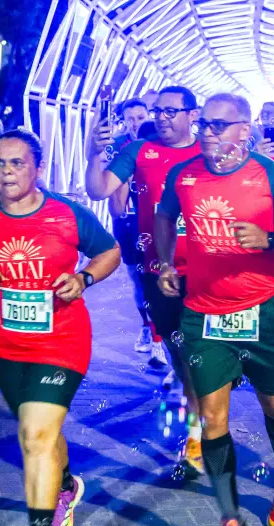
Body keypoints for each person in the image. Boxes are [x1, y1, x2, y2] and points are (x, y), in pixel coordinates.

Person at [155, 92, 274, 526]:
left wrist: (270, 239)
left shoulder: (270, 177)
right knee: (211, 418)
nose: (207, 133)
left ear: (243, 131)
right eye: (203, 124)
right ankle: (231, 522)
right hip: (203, 313)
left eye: (217, 125)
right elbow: (164, 213)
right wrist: (167, 262)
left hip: (261, 312)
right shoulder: (184, 175)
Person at [0, 129, 121, 526]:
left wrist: (83, 278)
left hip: (62, 342)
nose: (6, 172)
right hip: (5, 345)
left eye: (17, 163)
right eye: (0, 163)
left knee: (35, 438)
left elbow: (110, 251)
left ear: (38, 169)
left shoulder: (67, 213)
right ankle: (64, 485)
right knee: (41, 431)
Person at [85, 85, 205, 476]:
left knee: (200, 354)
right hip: (160, 269)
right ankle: (199, 419)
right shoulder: (140, 151)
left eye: (172, 111)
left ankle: (196, 437)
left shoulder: (207, 150)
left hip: (206, 271)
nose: (163, 117)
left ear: (192, 113)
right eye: (159, 111)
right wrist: (92, 152)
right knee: (179, 350)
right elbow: (97, 188)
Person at [108, 99, 166, 364]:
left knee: (156, 278)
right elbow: (111, 198)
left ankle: (159, 339)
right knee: (137, 278)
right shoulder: (119, 147)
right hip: (129, 225)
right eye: (130, 118)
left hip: (158, 225)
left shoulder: (161, 143)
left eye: (140, 116)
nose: (135, 122)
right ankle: (147, 327)